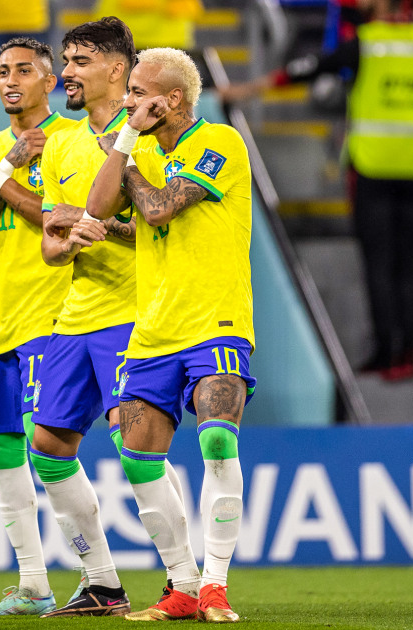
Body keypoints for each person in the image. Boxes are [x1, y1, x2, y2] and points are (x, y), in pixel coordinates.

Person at [87, 46, 257, 623]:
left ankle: (214, 586)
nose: (127, 101)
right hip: (153, 330)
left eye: (137, 92)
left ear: (172, 99)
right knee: (136, 458)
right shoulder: (151, 155)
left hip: (215, 321)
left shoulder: (220, 144)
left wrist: (126, 146)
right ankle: (182, 584)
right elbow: (123, 217)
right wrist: (95, 228)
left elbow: (159, 210)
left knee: (215, 442)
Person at [222, 0, 413, 381]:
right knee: (406, 266)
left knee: (378, 264)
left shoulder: (367, 42)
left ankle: (385, 351)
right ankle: (406, 354)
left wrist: (247, 89)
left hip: (372, 168)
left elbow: (306, 70)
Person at [19, 16, 153, 618]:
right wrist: (72, 238)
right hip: (74, 317)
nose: (64, 72)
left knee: (137, 448)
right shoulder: (63, 144)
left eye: (78, 61)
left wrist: (106, 228)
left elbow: (164, 231)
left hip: (135, 313)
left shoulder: (150, 135)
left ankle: (187, 581)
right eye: (66, 60)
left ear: (117, 70)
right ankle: (101, 582)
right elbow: (49, 244)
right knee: (46, 444)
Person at [0, 37, 78, 616]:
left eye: (24, 70)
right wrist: (7, 164)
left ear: (48, 80)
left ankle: (98, 573)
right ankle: (33, 584)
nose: (10, 80)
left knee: (48, 448)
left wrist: (0, 179)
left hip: (49, 319)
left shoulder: (73, 143)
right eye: (2, 71)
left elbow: (57, 221)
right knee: (2, 451)